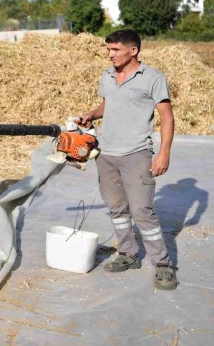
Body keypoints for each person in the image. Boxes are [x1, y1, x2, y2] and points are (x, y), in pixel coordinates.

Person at [78, 29, 177, 291]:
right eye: (108, 50)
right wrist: (91, 114)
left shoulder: (153, 78)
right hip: (105, 154)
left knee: (143, 212)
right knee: (117, 209)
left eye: (115, 50)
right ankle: (128, 254)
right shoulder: (108, 75)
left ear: (133, 51)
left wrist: (163, 152)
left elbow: (167, 117)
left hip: (136, 154)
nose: (110, 55)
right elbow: (107, 104)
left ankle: (163, 265)